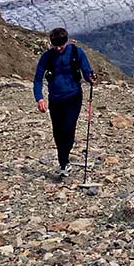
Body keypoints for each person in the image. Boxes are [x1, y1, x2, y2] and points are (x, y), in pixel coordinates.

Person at [33, 27, 94, 179]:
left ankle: (64, 159)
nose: (59, 48)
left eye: (61, 45)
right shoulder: (47, 57)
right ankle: (63, 162)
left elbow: (86, 70)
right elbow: (37, 79)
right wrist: (39, 98)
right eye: (56, 45)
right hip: (55, 99)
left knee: (68, 127)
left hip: (73, 96)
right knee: (58, 131)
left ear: (66, 41)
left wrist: (90, 77)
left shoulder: (76, 52)